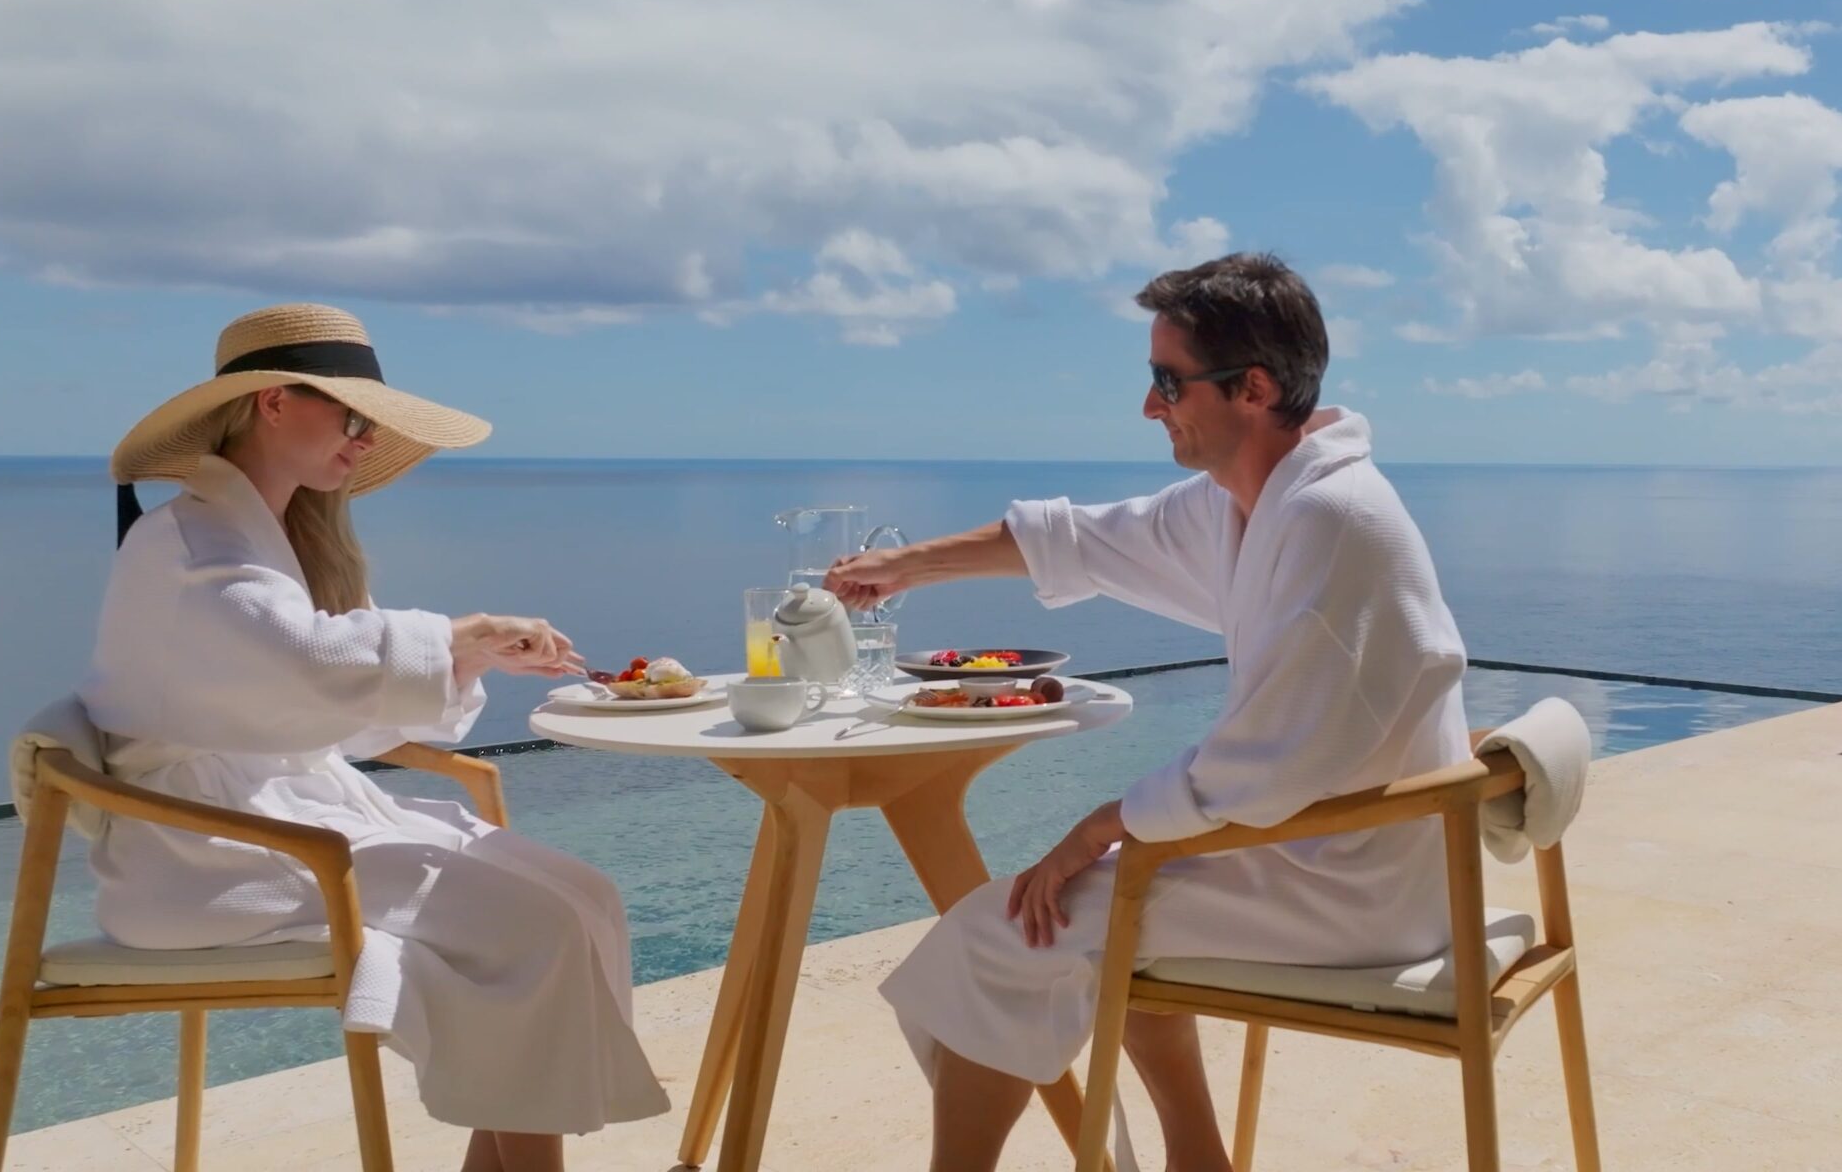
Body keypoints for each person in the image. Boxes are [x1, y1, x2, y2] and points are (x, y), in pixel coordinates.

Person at [826, 253, 1471, 1172]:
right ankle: (1198, 1159)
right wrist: (907, 565)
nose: (1148, 406)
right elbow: (1084, 538)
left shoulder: (1330, 519)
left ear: (1250, 388)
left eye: (1167, 382)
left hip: (1354, 888)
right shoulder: (1256, 502)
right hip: (1337, 849)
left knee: (1004, 929)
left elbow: (1266, 763)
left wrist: (1095, 829)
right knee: (1110, 896)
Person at [83, 304, 666, 1172]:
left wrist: (470, 660)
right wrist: (464, 634)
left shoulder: (252, 537)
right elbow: (309, 666)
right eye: (353, 416)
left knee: (586, 894)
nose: (363, 439)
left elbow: (310, 702)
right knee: (534, 926)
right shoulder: (194, 544)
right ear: (275, 402)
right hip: (209, 856)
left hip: (276, 822)